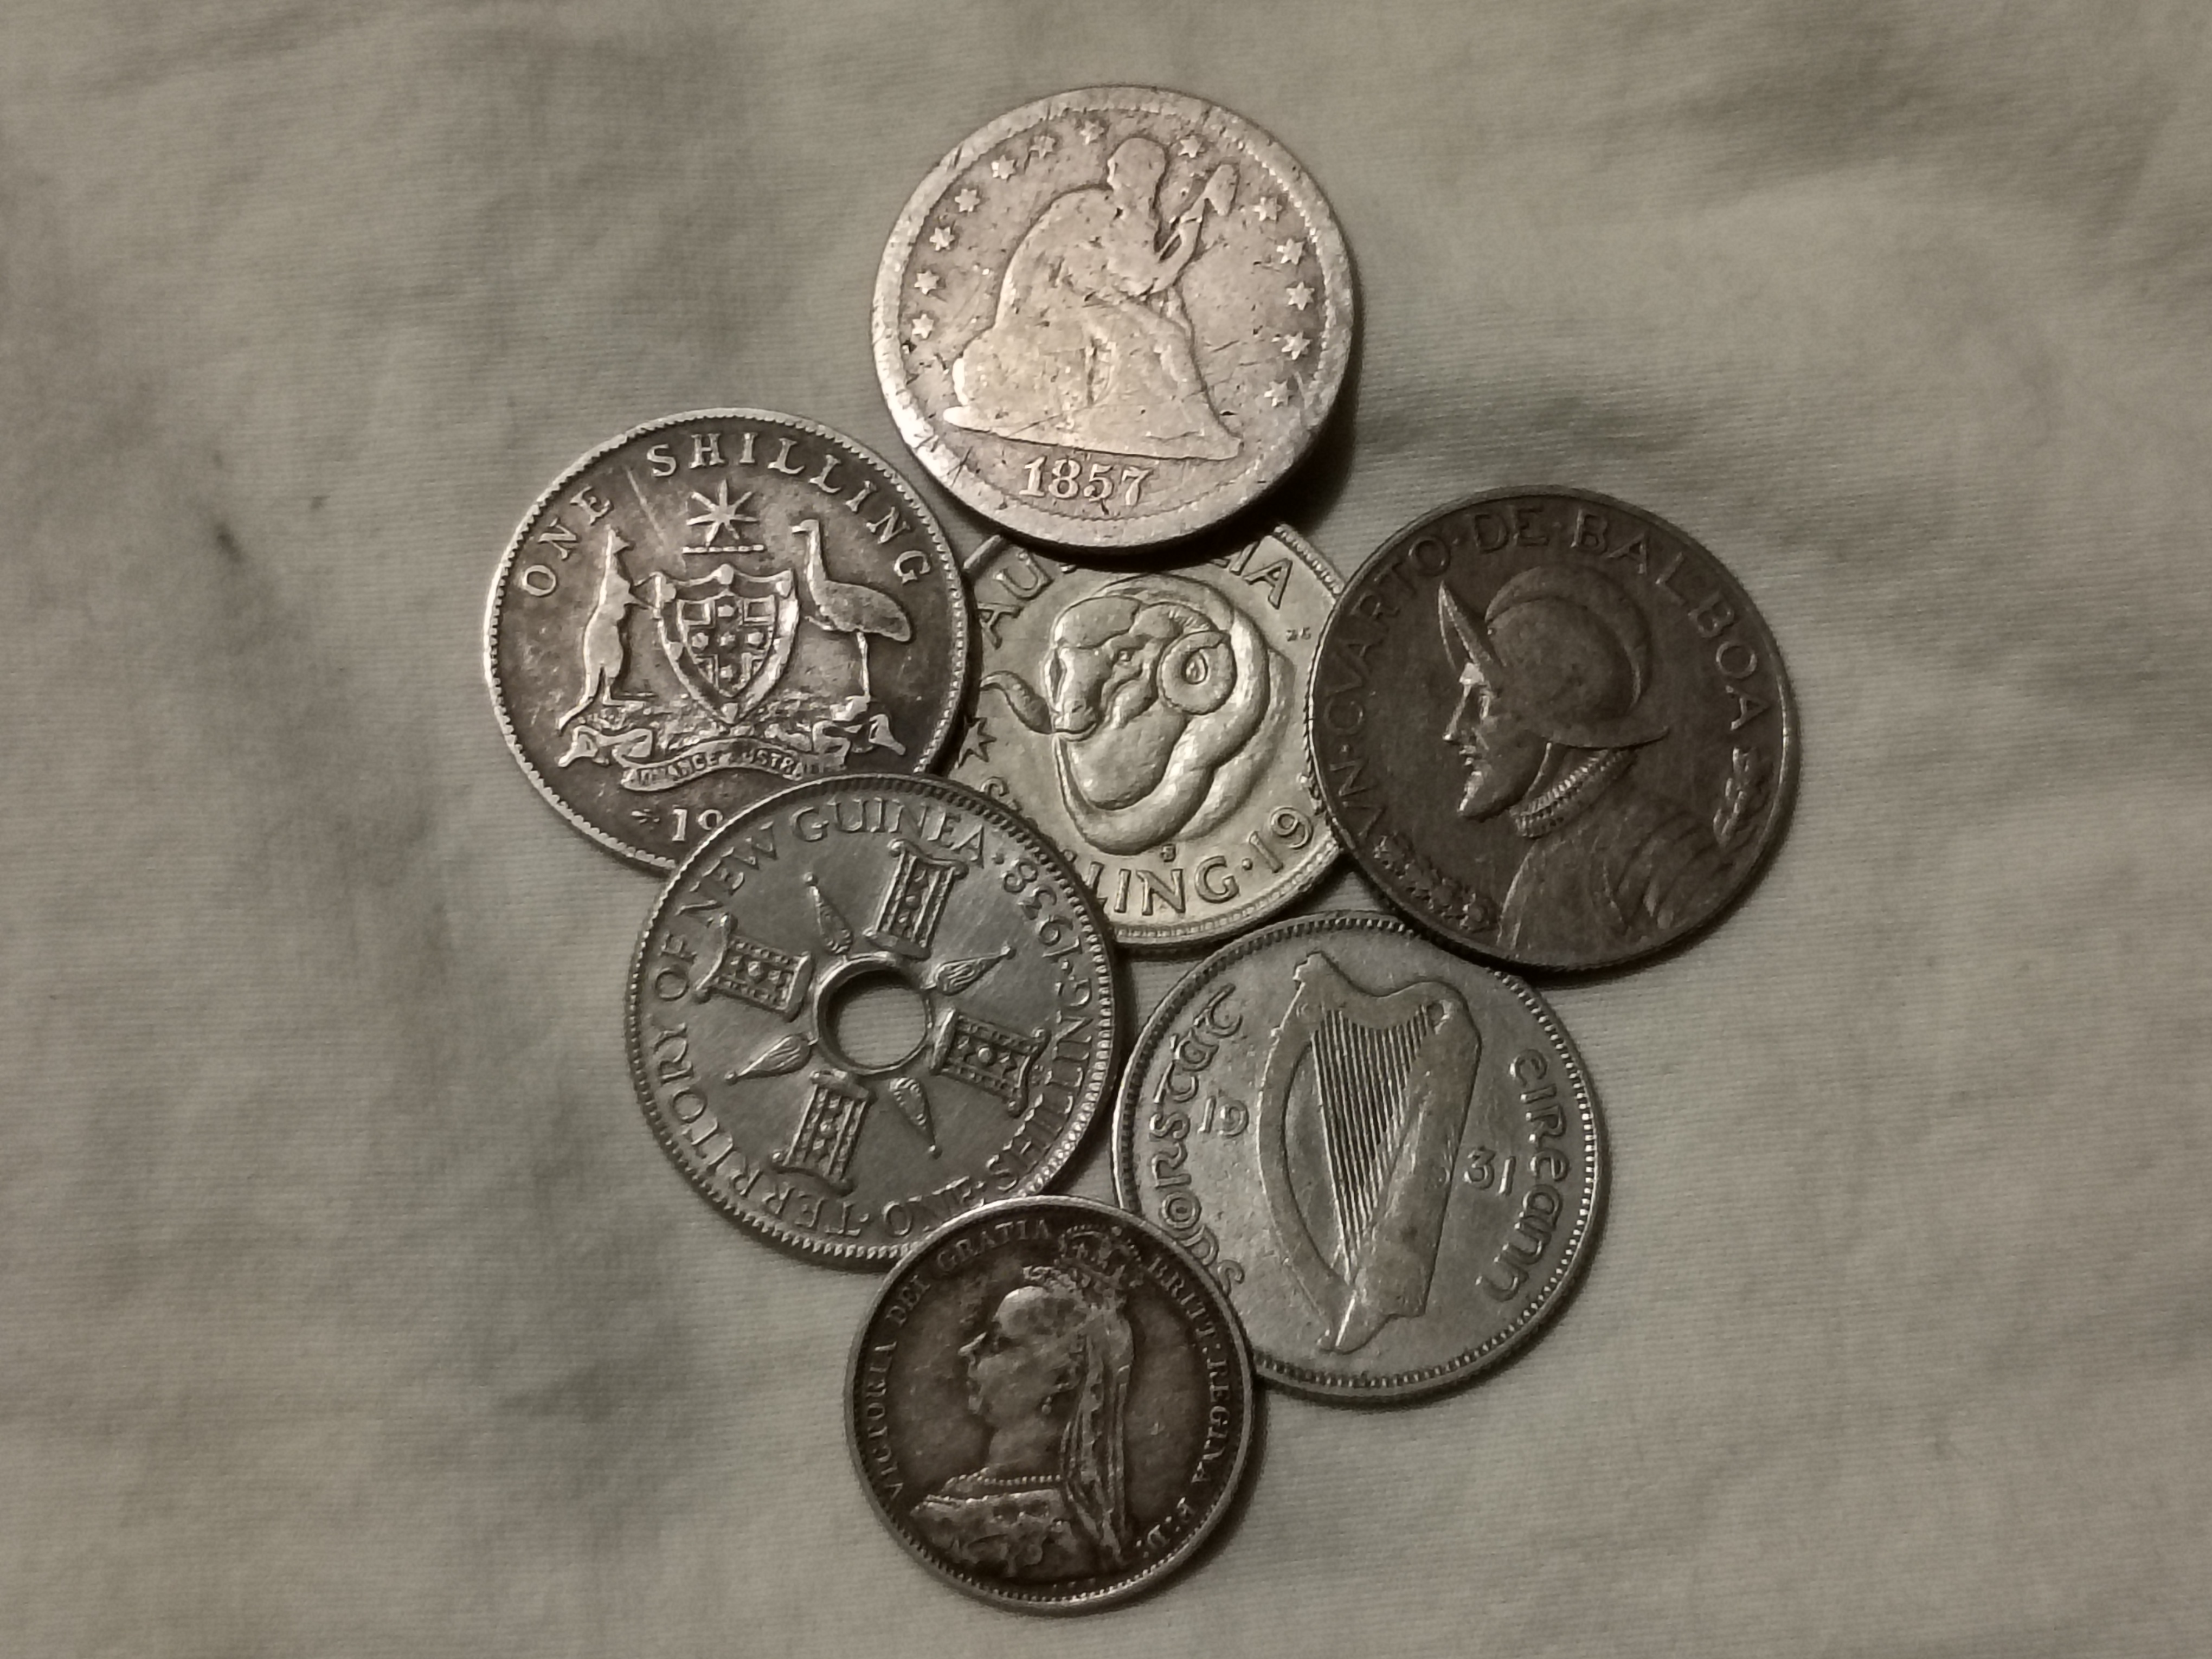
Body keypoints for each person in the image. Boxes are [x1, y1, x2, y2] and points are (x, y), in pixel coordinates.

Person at [1438, 564, 1728, 959]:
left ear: (1553, 712)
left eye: (1485, 700)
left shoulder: (1658, 851)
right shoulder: (1558, 851)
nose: (1454, 730)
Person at [943, 136, 1240, 461]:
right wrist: (1185, 239)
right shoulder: (1093, 207)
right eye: (1123, 168)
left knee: (1171, 333)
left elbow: (1150, 280)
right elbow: (1129, 280)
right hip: (1059, 309)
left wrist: (1190, 234)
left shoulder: (1138, 217)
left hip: (1096, 302)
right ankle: (1196, 428)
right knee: (1163, 337)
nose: (1113, 172)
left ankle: (1189, 424)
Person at [908, 1251, 1135, 1580]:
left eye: (998, 1343)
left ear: (1065, 1376)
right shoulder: (957, 1495)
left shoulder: (1063, 1533)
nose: (967, 1351)